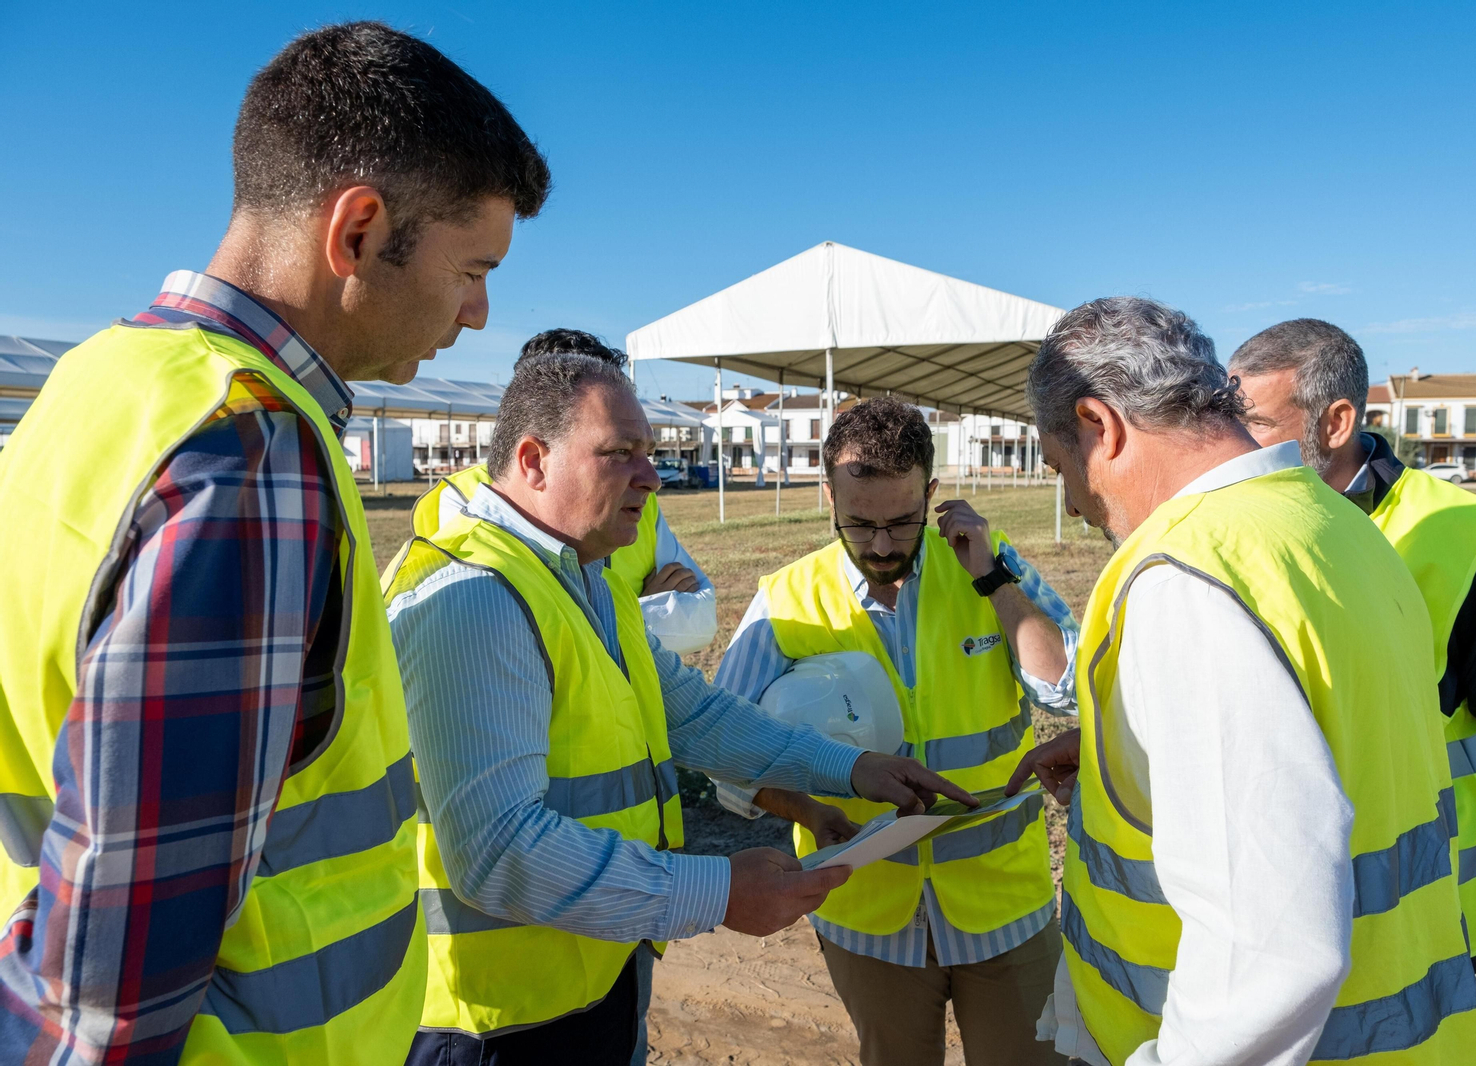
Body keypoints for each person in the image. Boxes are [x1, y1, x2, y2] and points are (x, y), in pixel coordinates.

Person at [0, 23, 548, 1066]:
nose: (479, 314)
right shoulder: (250, 451)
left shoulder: (96, 384)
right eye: (473, 268)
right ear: (359, 230)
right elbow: (113, 984)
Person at [384, 354, 975, 1065]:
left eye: (650, 452)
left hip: (592, 974)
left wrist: (850, 768)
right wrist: (717, 891)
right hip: (494, 1022)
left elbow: (695, 715)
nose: (652, 477)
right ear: (534, 461)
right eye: (621, 454)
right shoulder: (476, 597)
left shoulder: (586, 575)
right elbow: (497, 851)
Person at [1018, 297, 1476, 1065]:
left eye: (1058, 466)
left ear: (1100, 426)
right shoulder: (1337, 525)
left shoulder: (1187, 580)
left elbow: (1268, 955)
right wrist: (1128, 760)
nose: (1073, 503)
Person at [714, 397, 1080, 1066]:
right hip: (868, 917)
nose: (881, 546)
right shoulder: (786, 599)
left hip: (1003, 905)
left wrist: (990, 576)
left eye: (901, 521)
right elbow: (723, 753)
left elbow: (1062, 686)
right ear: (829, 496)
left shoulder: (989, 566)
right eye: (859, 523)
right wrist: (809, 811)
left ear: (932, 495)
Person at [1229, 318, 1476, 961]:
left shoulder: (1461, 533)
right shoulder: (1238, 524)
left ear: (1335, 424)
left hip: (1425, 908)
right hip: (1279, 901)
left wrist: (1417, 786)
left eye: (1253, 423)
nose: (1231, 443)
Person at [410, 328, 718, 654]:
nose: (652, 481)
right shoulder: (460, 499)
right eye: (618, 450)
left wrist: (620, 620)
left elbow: (700, 618)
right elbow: (496, 628)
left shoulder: (641, 498)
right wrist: (639, 613)